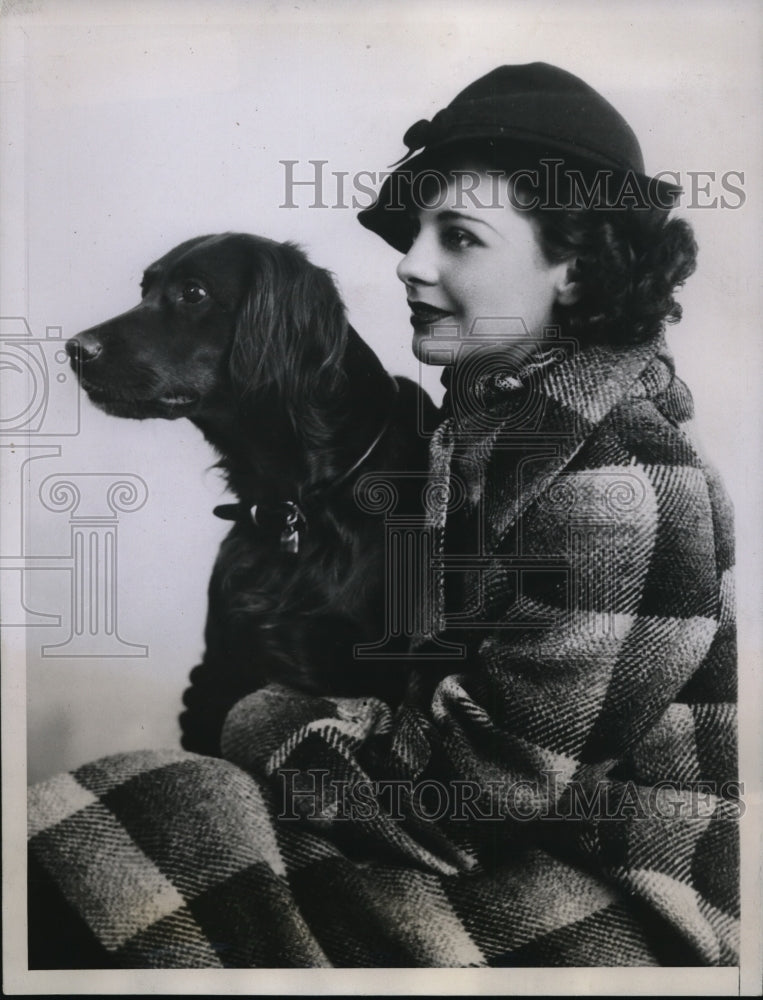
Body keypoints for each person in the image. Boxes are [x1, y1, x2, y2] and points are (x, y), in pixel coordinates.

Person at [28, 63, 737, 968]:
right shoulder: (474, 441)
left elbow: (473, 804)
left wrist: (257, 716)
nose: (408, 262)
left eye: (460, 237)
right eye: (417, 233)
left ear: (577, 266)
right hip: (459, 850)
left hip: (616, 909)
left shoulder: (624, 485)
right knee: (119, 829)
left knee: (124, 840)